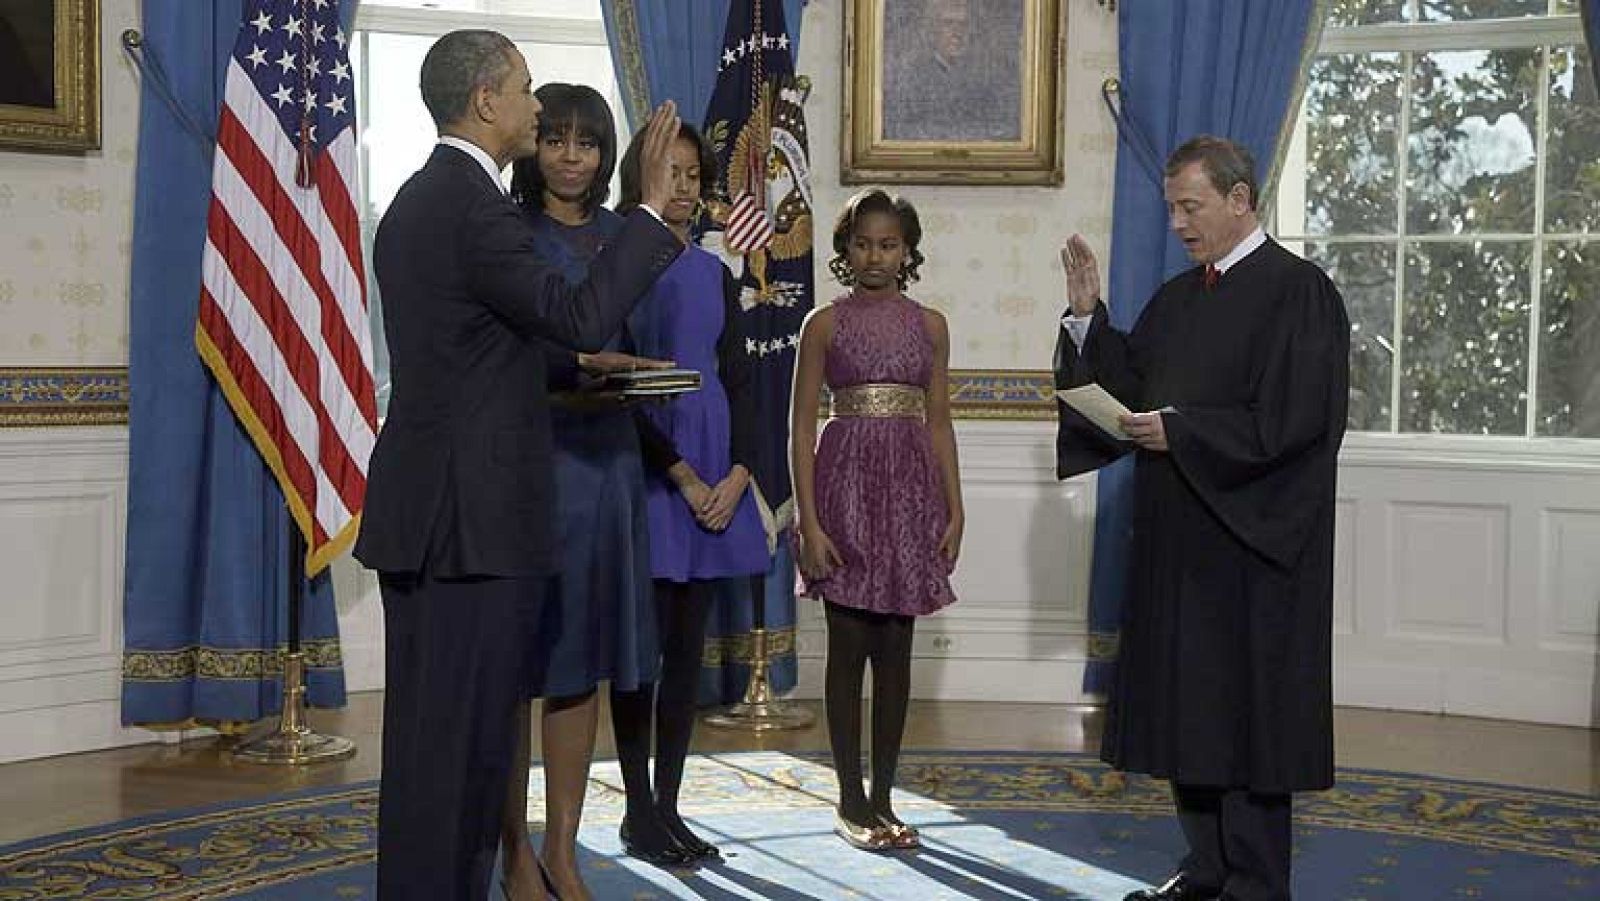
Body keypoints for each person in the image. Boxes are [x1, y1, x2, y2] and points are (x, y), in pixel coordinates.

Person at [352, 29, 683, 901]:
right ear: (486, 100)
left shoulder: (425, 197)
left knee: (435, 751)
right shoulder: (475, 205)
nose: (537, 107)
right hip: (469, 522)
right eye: (527, 89)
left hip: (436, 510)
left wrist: (577, 370)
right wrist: (650, 210)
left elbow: (469, 347)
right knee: (459, 759)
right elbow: (576, 313)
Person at [1053, 136, 1349, 901]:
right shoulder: (1180, 296)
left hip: (1252, 550)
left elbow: (1297, 422)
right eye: (1172, 209)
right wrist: (1086, 319)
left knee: (1246, 721)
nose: (1179, 224)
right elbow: (1129, 383)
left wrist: (1181, 432)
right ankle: (1207, 866)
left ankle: (1254, 882)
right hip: (1177, 544)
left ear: (1239, 199)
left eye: (1192, 206)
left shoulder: (1300, 292)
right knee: (1188, 714)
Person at [496, 82, 665, 901]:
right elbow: (498, 354)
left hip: (608, 468)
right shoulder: (504, 231)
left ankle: (563, 852)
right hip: (530, 463)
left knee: (581, 667)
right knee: (510, 670)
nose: (570, 156)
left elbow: (643, 342)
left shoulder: (627, 237)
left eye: (588, 142)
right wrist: (568, 376)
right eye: (555, 138)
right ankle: (512, 854)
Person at [607, 122, 771, 866]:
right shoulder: (620, 262)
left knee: (685, 658)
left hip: (716, 480)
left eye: (694, 174)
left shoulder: (716, 273)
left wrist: (736, 477)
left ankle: (668, 809)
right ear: (641, 176)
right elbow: (618, 387)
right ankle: (636, 811)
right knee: (638, 658)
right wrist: (682, 474)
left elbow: (742, 382)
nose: (683, 185)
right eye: (669, 171)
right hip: (651, 473)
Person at [790, 188, 963, 852]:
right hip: (843, 492)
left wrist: (955, 506)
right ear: (846, 249)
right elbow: (800, 426)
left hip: (911, 497)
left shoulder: (931, 326)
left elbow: (940, 422)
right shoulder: (823, 324)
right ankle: (849, 798)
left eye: (888, 244)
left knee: (896, 651)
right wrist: (809, 522)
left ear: (907, 251)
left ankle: (885, 795)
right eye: (863, 243)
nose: (874, 256)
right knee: (848, 647)